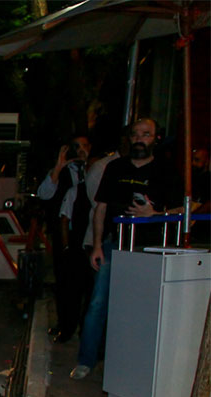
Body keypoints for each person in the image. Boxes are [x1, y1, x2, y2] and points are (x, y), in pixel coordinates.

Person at [70, 118, 181, 379]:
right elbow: (101, 207)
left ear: (156, 138)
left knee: (143, 306)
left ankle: (139, 365)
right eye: (135, 134)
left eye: (146, 134)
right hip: (115, 244)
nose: (139, 139)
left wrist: (155, 213)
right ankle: (86, 360)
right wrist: (97, 245)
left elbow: (182, 209)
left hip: (150, 249)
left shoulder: (166, 170)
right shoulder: (115, 167)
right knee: (98, 302)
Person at [37, 135, 92, 342]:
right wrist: (58, 168)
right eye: (76, 147)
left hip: (88, 236)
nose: (80, 150)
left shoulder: (93, 171)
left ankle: (85, 329)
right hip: (64, 237)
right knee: (65, 284)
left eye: (84, 146)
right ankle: (65, 326)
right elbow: (44, 194)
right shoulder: (62, 173)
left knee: (87, 286)